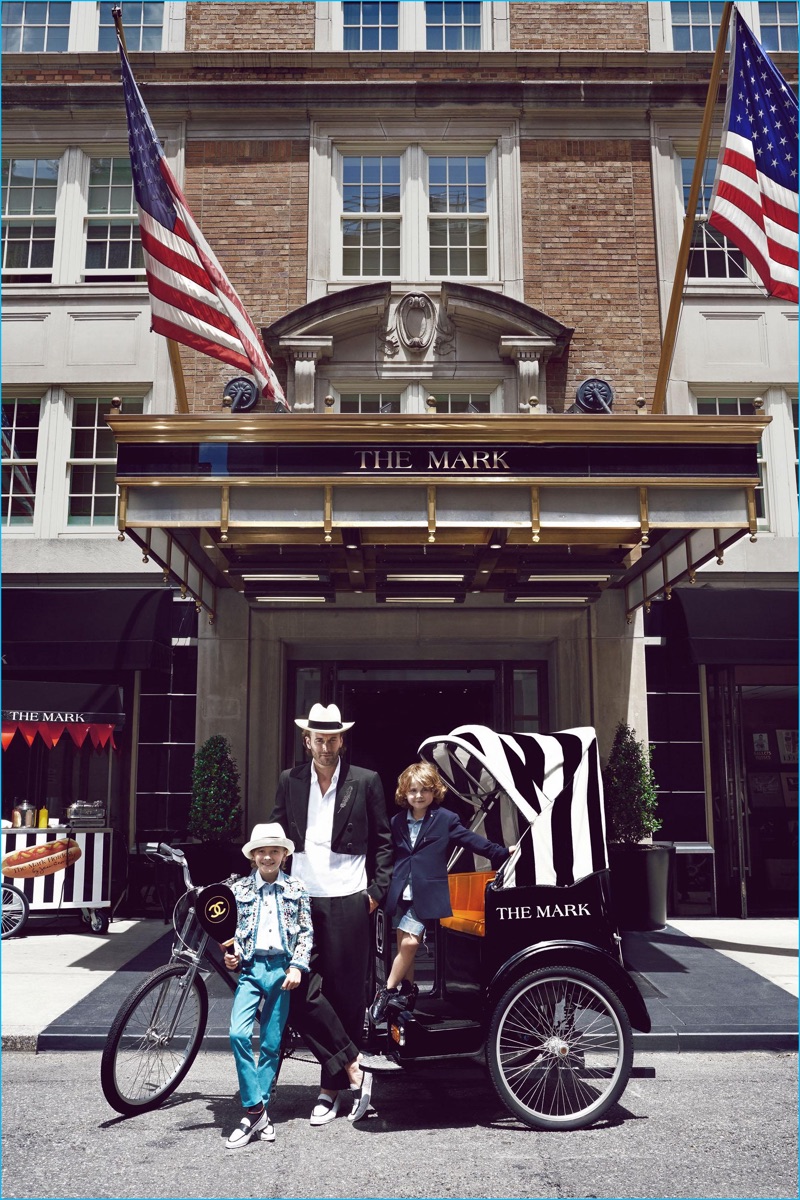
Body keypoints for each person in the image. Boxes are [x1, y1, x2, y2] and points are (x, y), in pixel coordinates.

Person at [271, 702, 393, 1125]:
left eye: (332, 738)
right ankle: (354, 1068)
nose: (325, 745)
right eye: (317, 739)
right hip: (301, 898)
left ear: (342, 740)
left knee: (346, 996)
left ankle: (328, 1091)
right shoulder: (290, 781)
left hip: (349, 898)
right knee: (298, 987)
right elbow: (275, 834)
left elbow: (383, 840)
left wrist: (375, 892)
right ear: (308, 742)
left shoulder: (366, 781)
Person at [370, 760, 513, 1022]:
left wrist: (501, 852)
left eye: (424, 790)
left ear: (434, 792)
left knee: (412, 941)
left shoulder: (445, 820)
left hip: (427, 892)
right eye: (413, 791)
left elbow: (471, 841)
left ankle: (386, 991)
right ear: (405, 793)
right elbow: (386, 853)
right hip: (401, 889)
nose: (419, 795)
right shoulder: (397, 821)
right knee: (404, 945)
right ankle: (409, 990)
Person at [223, 823, 312, 1149]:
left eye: (274, 850)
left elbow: (305, 933)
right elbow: (230, 935)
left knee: (272, 1043)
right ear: (253, 857)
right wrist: (231, 957)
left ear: (284, 855)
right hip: (250, 969)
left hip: (281, 972)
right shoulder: (240, 891)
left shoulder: (297, 889)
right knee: (237, 1034)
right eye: (261, 850)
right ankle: (256, 1108)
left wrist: (297, 966)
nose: (267, 856)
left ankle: (252, 1117)